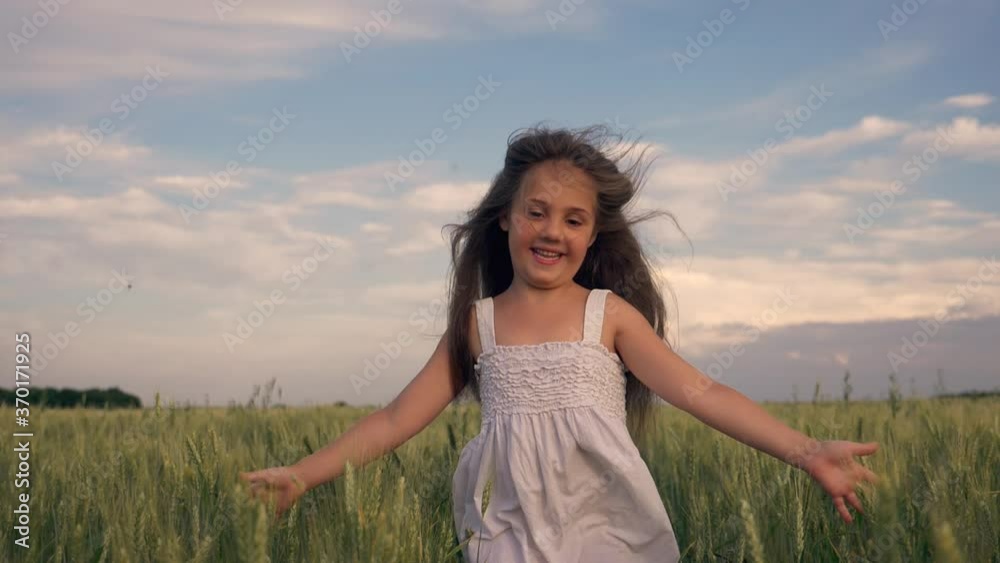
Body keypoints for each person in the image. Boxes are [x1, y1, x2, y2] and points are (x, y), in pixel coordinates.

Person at [240, 124, 880, 561]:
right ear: (506, 219)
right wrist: (301, 475)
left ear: (594, 236)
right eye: (536, 212)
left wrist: (808, 451)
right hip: (506, 526)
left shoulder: (609, 316)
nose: (552, 231)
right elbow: (394, 418)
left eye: (573, 220)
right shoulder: (477, 324)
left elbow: (701, 391)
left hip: (605, 523)